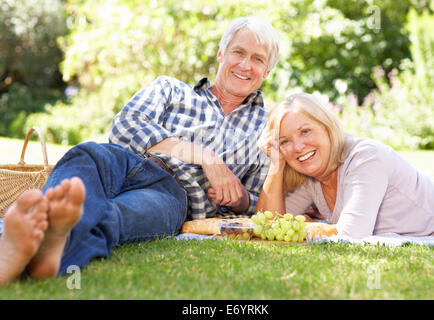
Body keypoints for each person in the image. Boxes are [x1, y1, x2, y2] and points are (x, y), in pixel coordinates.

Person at [0, 16, 280, 281]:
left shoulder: (265, 128)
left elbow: (258, 204)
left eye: (258, 59)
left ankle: (35, 249)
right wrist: (205, 157)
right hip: (124, 162)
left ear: (267, 71)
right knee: (87, 155)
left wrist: (237, 195)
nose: (245, 65)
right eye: (238, 52)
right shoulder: (170, 89)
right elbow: (125, 126)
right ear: (221, 54)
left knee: (113, 216)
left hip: (173, 194)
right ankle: (42, 240)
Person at [256, 93, 434, 238]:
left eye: (305, 131)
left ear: (327, 127)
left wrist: (306, 225)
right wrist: (276, 165)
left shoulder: (365, 158)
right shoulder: (312, 175)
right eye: (284, 142)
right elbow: (266, 224)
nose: (298, 147)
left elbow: (350, 235)